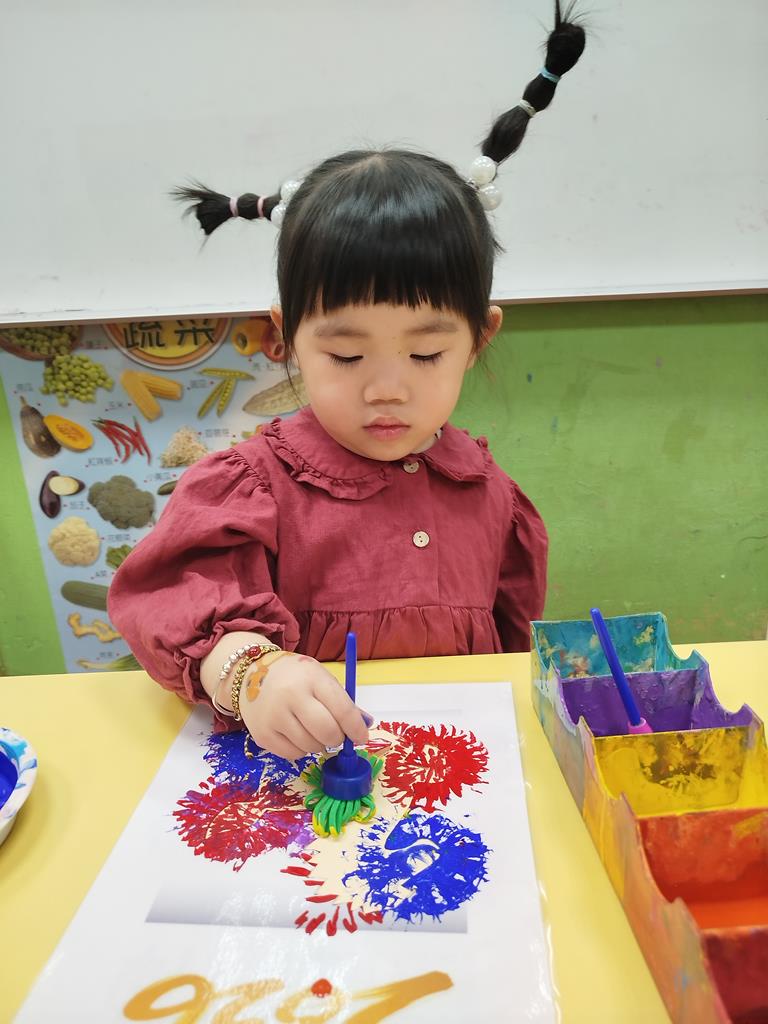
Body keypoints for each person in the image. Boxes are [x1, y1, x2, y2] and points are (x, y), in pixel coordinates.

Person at [109, 4, 585, 760]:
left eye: (425, 356)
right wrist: (253, 673)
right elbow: (176, 602)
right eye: (345, 356)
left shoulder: (487, 490)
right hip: (303, 780)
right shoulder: (252, 489)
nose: (386, 390)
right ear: (286, 338)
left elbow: (506, 652)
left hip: (450, 779)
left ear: (478, 339)